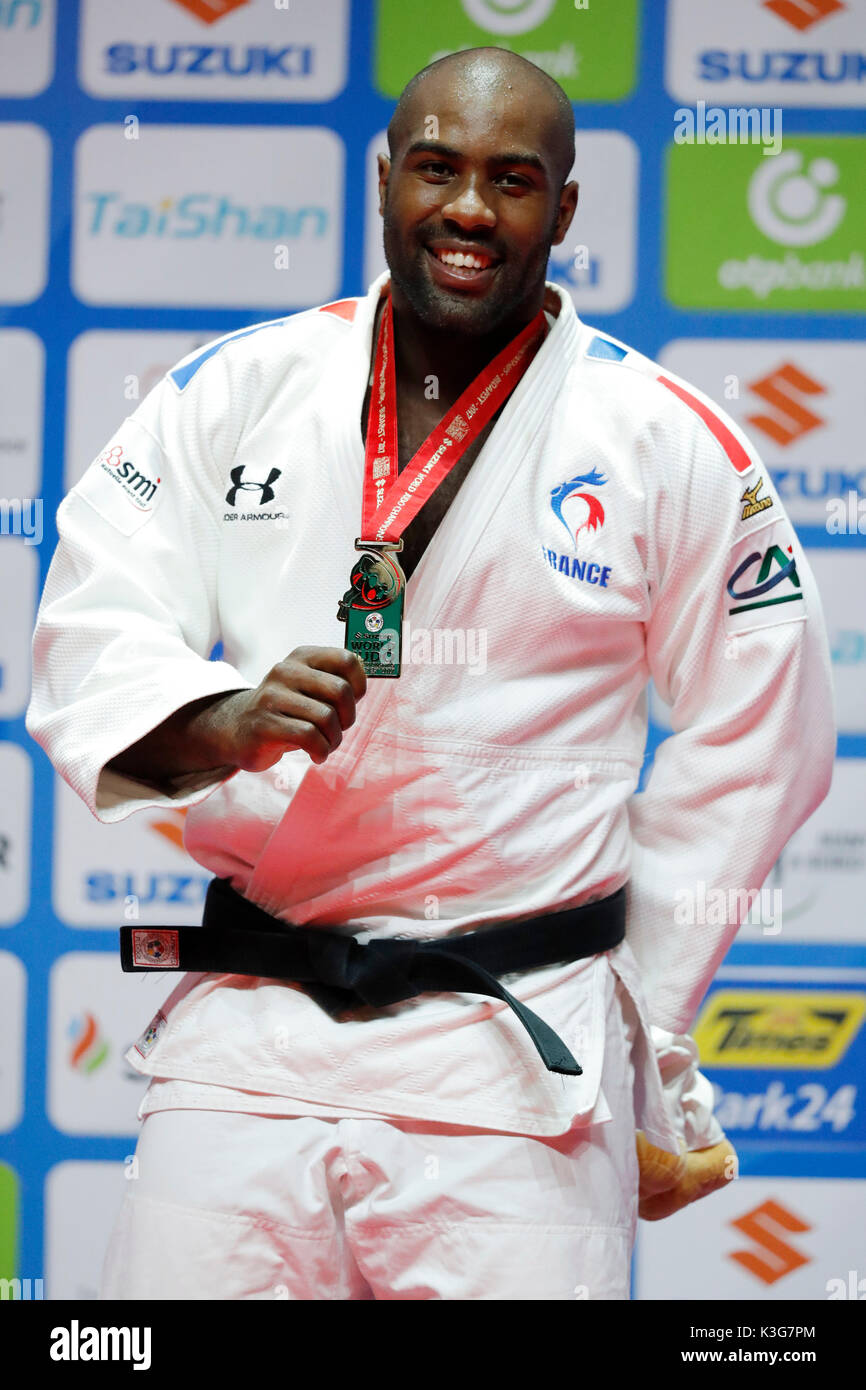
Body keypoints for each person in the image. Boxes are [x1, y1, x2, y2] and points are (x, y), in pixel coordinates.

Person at [27, 48, 834, 1301]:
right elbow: (91, 617)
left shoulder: (660, 438)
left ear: (562, 211)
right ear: (384, 179)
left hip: (512, 1060)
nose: (468, 209)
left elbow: (761, 735)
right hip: (251, 1037)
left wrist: (644, 1021)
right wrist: (217, 720)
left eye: (512, 180)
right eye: (437, 168)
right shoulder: (244, 387)